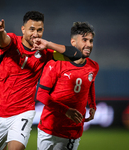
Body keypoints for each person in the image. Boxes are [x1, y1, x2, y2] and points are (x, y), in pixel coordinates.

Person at [0, 11, 82, 150]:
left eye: (39, 30)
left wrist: (48, 44)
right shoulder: (13, 42)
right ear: (23, 29)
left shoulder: (45, 53)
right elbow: (3, 39)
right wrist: (0, 31)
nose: (35, 33)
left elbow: (75, 55)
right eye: (32, 29)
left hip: (22, 112)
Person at [35, 22, 99, 150]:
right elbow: (41, 95)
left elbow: (90, 84)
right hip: (48, 128)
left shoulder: (93, 66)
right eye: (84, 40)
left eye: (91, 41)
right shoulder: (56, 64)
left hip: (71, 131)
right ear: (73, 43)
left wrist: (92, 105)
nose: (89, 45)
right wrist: (66, 111)